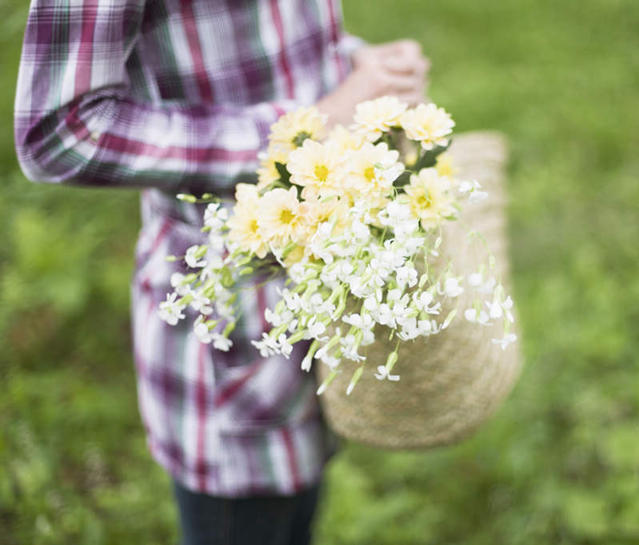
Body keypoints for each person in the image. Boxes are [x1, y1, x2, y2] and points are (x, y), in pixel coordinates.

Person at [13, 1, 429, 543]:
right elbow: (59, 132)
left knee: (298, 508)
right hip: (231, 316)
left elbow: (251, 38)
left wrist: (358, 67)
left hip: (319, 281)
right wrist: (304, 130)